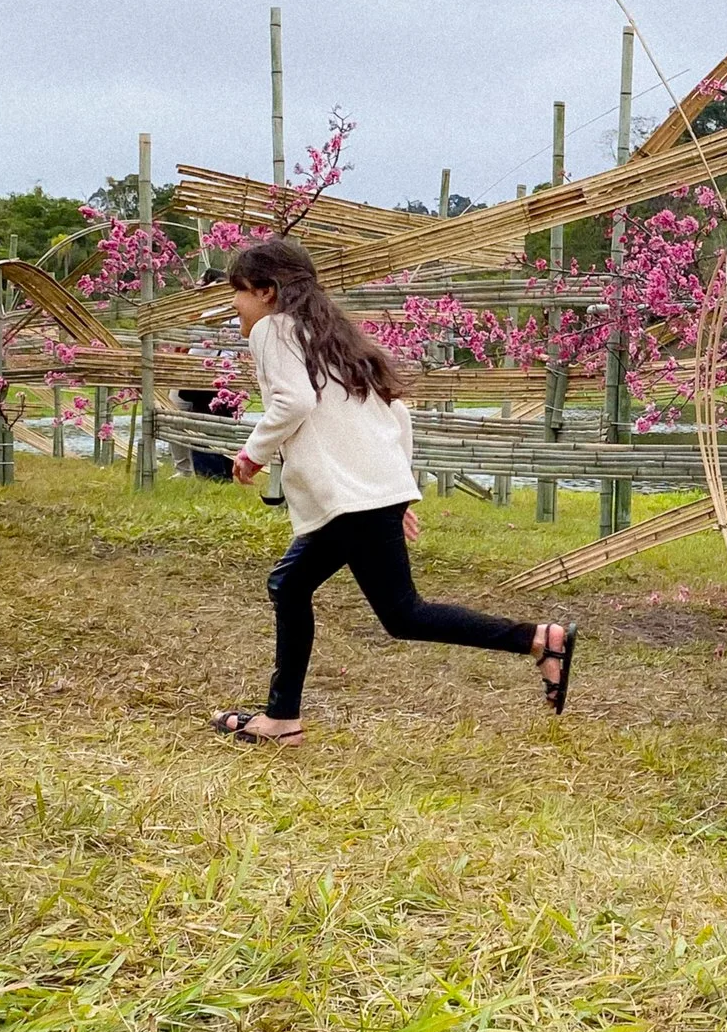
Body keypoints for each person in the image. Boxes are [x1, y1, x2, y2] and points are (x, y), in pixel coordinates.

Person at [206, 238, 574, 745]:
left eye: (238, 291)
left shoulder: (274, 329)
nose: (235, 303)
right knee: (293, 586)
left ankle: (539, 640)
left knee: (401, 614)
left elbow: (293, 403)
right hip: (367, 495)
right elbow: (395, 414)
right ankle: (282, 717)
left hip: (351, 500)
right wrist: (395, 490)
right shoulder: (329, 336)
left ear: (266, 291)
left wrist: (252, 453)